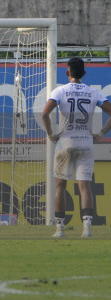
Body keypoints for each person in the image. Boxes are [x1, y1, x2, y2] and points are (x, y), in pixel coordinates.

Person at [42, 57, 111, 238]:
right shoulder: (93, 92)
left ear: (67, 72)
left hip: (65, 142)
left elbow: (44, 113)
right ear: (84, 73)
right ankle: (87, 228)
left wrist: (51, 134)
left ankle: (60, 229)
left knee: (60, 187)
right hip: (86, 143)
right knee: (85, 187)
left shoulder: (60, 91)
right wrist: (102, 133)